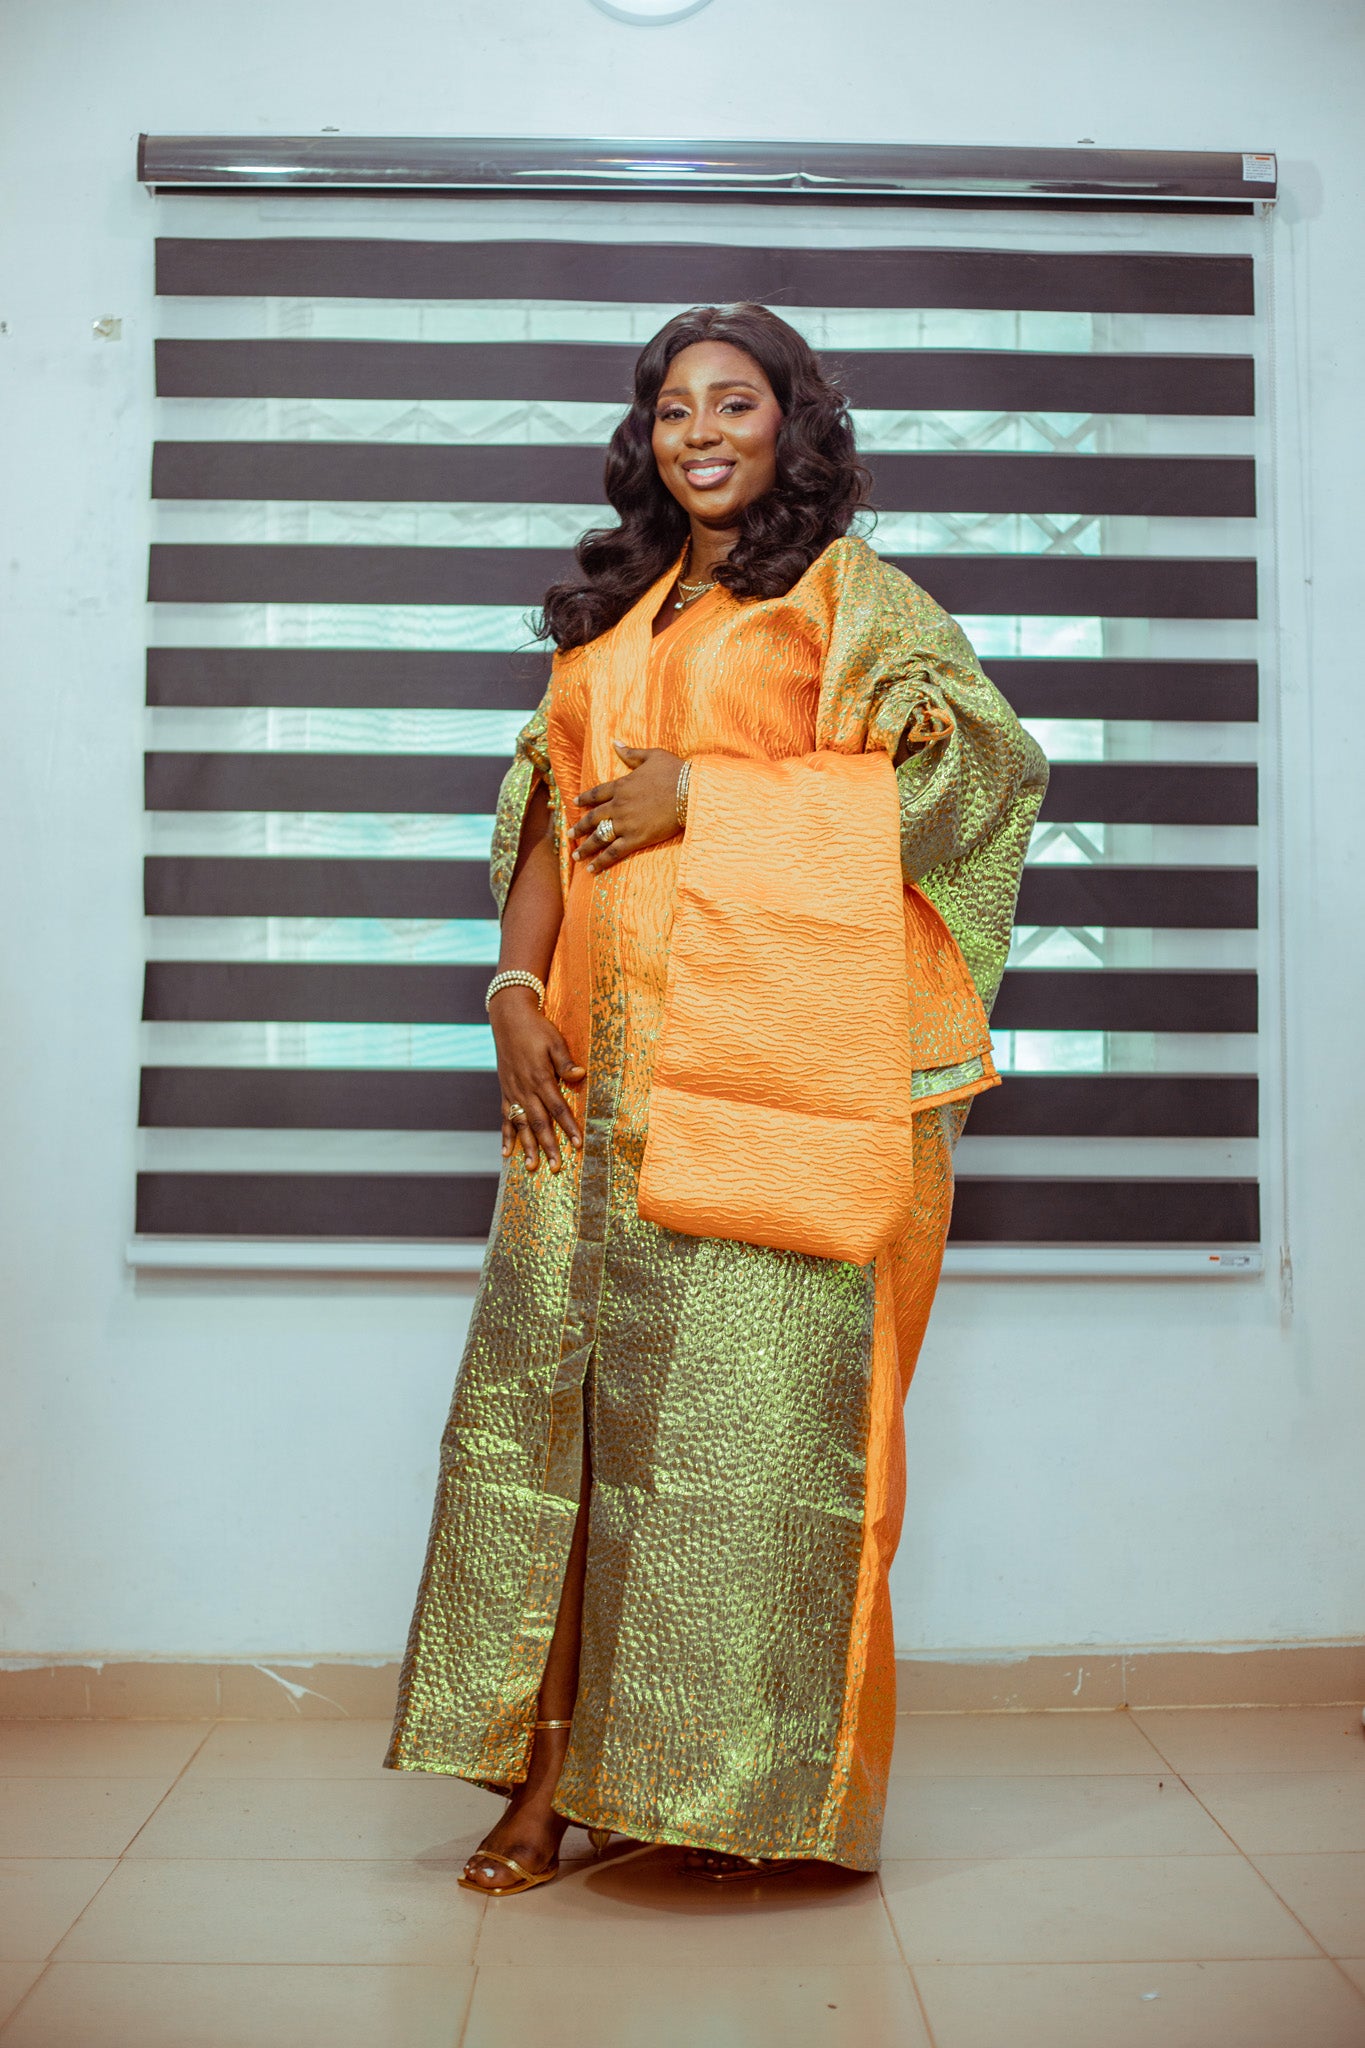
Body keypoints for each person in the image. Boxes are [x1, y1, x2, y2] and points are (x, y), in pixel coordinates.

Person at [384, 301, 1047, 1891]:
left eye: (731, 402)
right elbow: (546, 817)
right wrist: (510, 994)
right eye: (671, 405)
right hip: (583, 1093)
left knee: (748, 1448)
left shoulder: (852, 603)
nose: (698, 431)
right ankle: (542, 1784)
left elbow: (979, 781)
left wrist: (717, 793)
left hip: (767, 1089)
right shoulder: (608, 614)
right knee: (560, 1431)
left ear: (789, 424)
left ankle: (713, 1789)